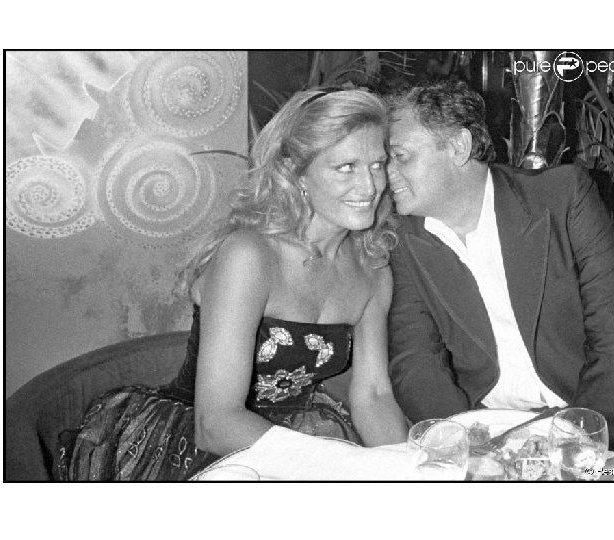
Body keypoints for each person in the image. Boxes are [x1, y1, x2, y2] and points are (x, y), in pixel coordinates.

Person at [64, 87, 408, 480]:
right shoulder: (250, 255)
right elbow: (215, 423)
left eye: (377, 165)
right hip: (198, 444)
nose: (370, 187)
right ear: (296, 170)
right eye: (345, 167)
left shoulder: (372, 268)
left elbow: (374, 395)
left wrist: (408, 469)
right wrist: (339, 466)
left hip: (299, 434)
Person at [385, 80, 614, 454]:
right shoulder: (404, 238)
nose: (385, 173)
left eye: (400, 156)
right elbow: (414, 360)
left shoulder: (563, 197)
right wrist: (465, 445)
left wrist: (577, 445)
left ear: (459, 147)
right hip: (480, 431)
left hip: (589, 423)